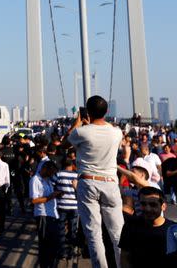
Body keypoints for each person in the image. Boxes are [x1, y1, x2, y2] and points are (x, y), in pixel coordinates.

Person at [67, 96, 124, 268]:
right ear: (107, 111)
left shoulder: (82, 132)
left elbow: (66, 141)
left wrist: (79, 121)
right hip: (111, 183)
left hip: (88, 182)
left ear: (88, 111)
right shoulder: (117, 132)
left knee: (94, 235)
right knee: (118, 235)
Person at [119, 186, 177, 266]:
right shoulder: (130, 226)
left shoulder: (173, 229)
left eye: (153, 205)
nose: (147, 208)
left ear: (163, 206)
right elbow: (125, 256)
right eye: (143, 204)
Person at [29, 160, 62, 268]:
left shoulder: (47, 179)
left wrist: (57, 194)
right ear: (45, 169)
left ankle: (50, 264)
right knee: (45, 245)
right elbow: (33, 200)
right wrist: (51, 196)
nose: (52, 174)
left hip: (52, 214)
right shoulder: (35, 180)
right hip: (43, 215)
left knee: (54, 243)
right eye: (51, 172)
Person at [54, 157, 79, 259]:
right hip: (74, 206)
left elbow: (52, 186)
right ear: (71, 165)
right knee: (73, 229)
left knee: (61, 229)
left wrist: (59, 192)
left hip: (62, 205)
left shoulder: (58, 174)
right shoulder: (77, 175)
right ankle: (72, 250)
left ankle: (63, 252)